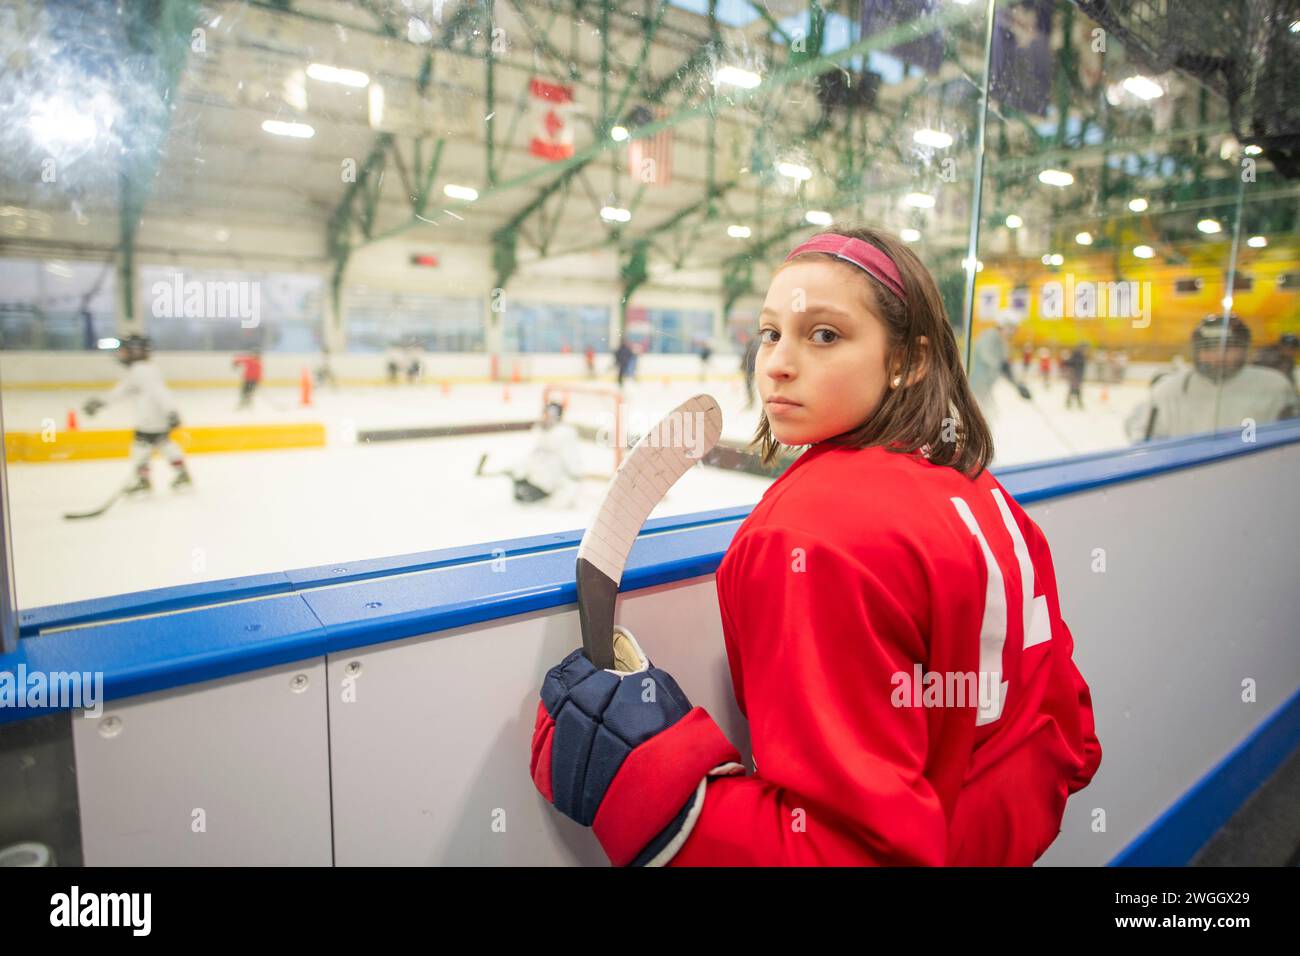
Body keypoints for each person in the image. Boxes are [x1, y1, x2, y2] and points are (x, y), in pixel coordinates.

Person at [529, 226, 1101, 866]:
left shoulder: (810, 534)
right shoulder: (979, 491)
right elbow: (1069, 731)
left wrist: (659, 797)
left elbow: (854, 852)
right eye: (770, 333)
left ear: (908, 360)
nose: (775, 362)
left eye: (823, 335)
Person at [1126, 314, 1297, 442]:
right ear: (1196, 350)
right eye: (1209, 348)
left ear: (1244, 349)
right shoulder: (1168, 391)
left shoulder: (1274, 386)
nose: (1218, 356)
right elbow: (1142, 439)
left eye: (1228, 348)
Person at [83, 335, 191, 493]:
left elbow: (159, 393)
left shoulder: (141, 371)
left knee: (141, 449)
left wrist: (171, 411)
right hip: (155, 418)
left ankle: (144, 480)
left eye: (125, 351)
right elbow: (124, 390)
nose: (121, 354)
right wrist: (100, 402)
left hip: (150, 420)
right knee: (165, 445)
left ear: (136, 351)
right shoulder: (143, 369)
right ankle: (181, 473)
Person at [482, 400, 584, 507]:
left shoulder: (564, 434)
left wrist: (575, 475)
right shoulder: (539, 431)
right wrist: (516, 469)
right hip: (532, 477)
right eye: (546, 414)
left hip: (546, 483)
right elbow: (531, 455)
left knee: (526, 495)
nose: (547, 417)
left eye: (551, 415)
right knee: (519, 488)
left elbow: (571, 457)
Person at [968, 315, 1032, 418]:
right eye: (1011, 328)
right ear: (1004, 326)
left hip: (986, 387)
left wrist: (1018, 386)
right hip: (975, 385)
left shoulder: (1002, 341)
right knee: (983, 415)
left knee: (990, 415)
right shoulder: (990, 336)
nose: (1013, 332)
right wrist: (1000, 364)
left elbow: (1005, 367)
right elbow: (987, 354)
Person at [231, 344, 262, 409]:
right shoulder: (249, 359)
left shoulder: (258, 362)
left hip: (254, 380)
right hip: (247, 379)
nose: (255, 355)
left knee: (249, 392)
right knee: (244, 391)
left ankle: (248, 402)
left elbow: (259, 374)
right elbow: (238, 360)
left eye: (257, 354)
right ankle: (243, 402)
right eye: (254, 353)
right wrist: (235, 363)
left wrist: (258, 381)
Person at [1062, 344, 1088, 410]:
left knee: (1076, 389)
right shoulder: (1077, 355)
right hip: (1075, 375)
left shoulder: (1081, 356)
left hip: (1077, 375)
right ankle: (1072, 402)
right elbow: (1071, 363)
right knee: (1074, 388)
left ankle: (1075, 402)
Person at [740, 333, 759, 409]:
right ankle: (750, 401)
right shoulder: (748, 348)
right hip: (748, 371)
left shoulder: (751, 350)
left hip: (749, 371)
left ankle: (751, 402)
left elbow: (750, 361)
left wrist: (751, 370)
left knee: (749, 387)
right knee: (748, 387)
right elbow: (744, 359)